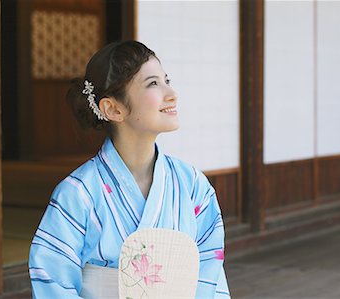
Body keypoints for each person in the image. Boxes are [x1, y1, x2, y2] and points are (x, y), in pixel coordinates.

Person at [28, 40, 230, 298]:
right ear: (113, 108)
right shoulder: (78, 193)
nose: (172, 93)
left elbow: (209, 268)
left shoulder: (192, 184)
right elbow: (51, 279)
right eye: (153, 83)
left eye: (166, 80)